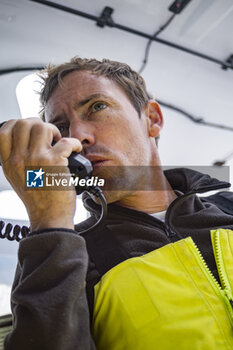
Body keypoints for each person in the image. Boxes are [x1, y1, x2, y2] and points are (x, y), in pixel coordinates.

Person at [0, 56, 233, 350]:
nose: (77, 136)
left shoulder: (228, 207)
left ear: (152, 119)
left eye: (97, 107)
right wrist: (48, 221)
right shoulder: (63, 254)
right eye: (61, 127)